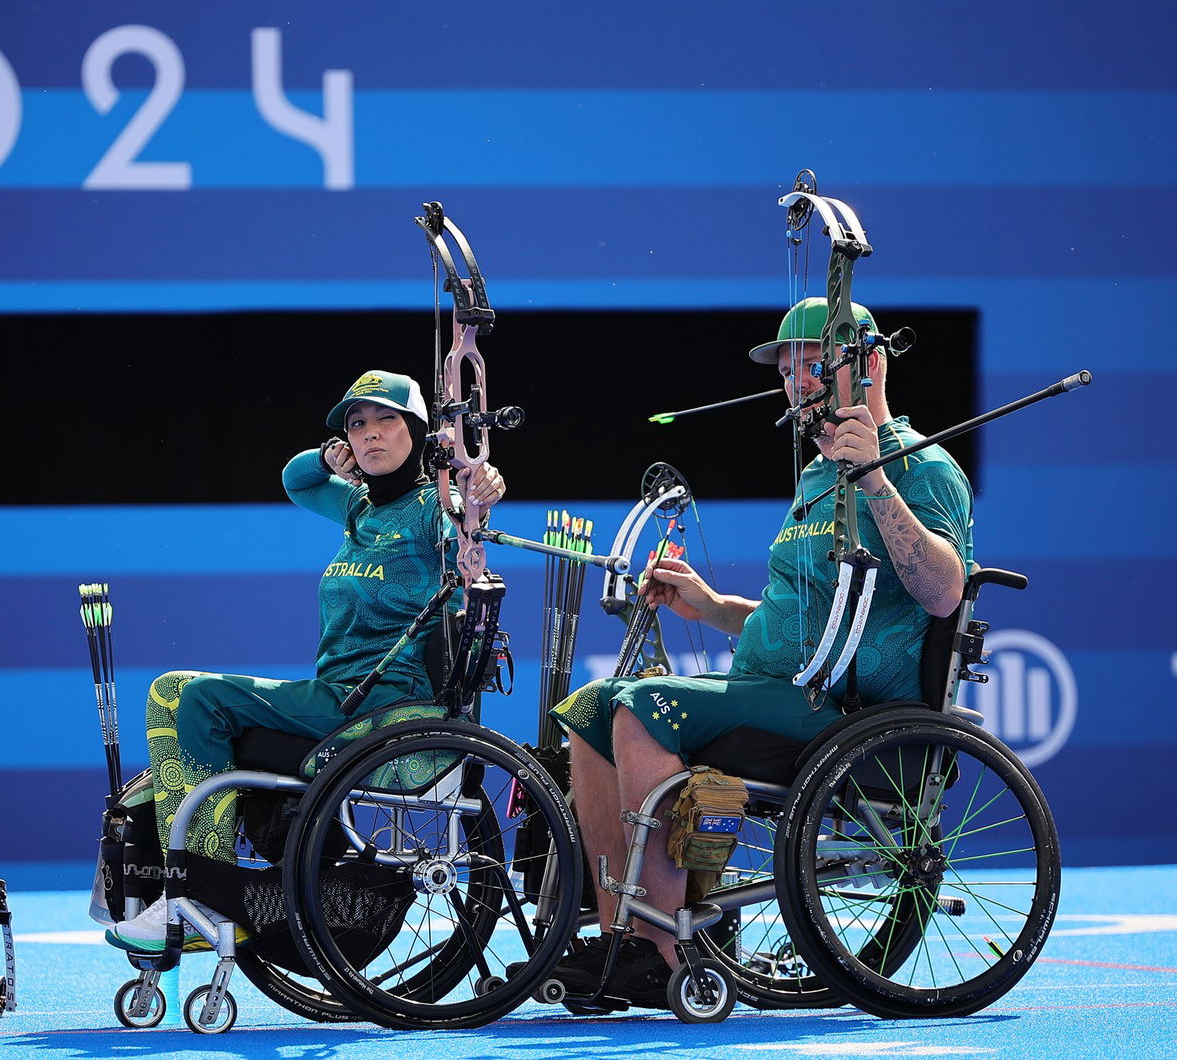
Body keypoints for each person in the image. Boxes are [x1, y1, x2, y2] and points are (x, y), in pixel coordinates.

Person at [548, 297, 973, 1003]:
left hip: (848, 715)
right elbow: (804, 620)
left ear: (869, 364)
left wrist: (874, 476)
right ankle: (620, 929)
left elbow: (943, 592)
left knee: (642, 706)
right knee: (590, 710)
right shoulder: (815, 477)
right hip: (786, 693)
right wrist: (711, 607)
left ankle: (664, 948)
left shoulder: (921, 467)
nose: (797, 382)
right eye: (787, 371)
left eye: (815, 364)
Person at [106, 369, 507, 953]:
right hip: (336, 693)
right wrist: (328, 456)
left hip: (383, 701)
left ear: (419, 431)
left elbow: (465, 506)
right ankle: (203, 891)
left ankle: (198, 895)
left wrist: (478, 484)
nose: (370, 434)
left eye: (386, 420)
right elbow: (296, 478)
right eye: (357, 423)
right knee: (181, 694)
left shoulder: (429, 507)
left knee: (185, 693)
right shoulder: (360, 508)